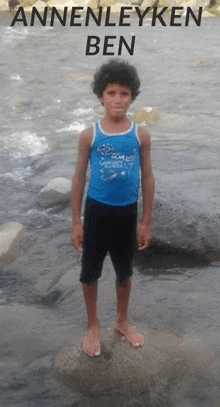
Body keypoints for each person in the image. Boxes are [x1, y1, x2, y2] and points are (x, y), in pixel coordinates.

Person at [71, 59, 154, 357]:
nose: (117, 99)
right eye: (111, 93)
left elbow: (147, 177)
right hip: (96, 211)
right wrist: (76, 222)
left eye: (124, 93)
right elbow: (79, 177)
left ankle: (121, 319)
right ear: (100, 97)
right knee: (89, 271)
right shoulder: (89, 135)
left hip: (126, 212)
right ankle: (92, 324)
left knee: (124, 270)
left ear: (132, 97)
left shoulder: (140, 135)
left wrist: (145, 221)